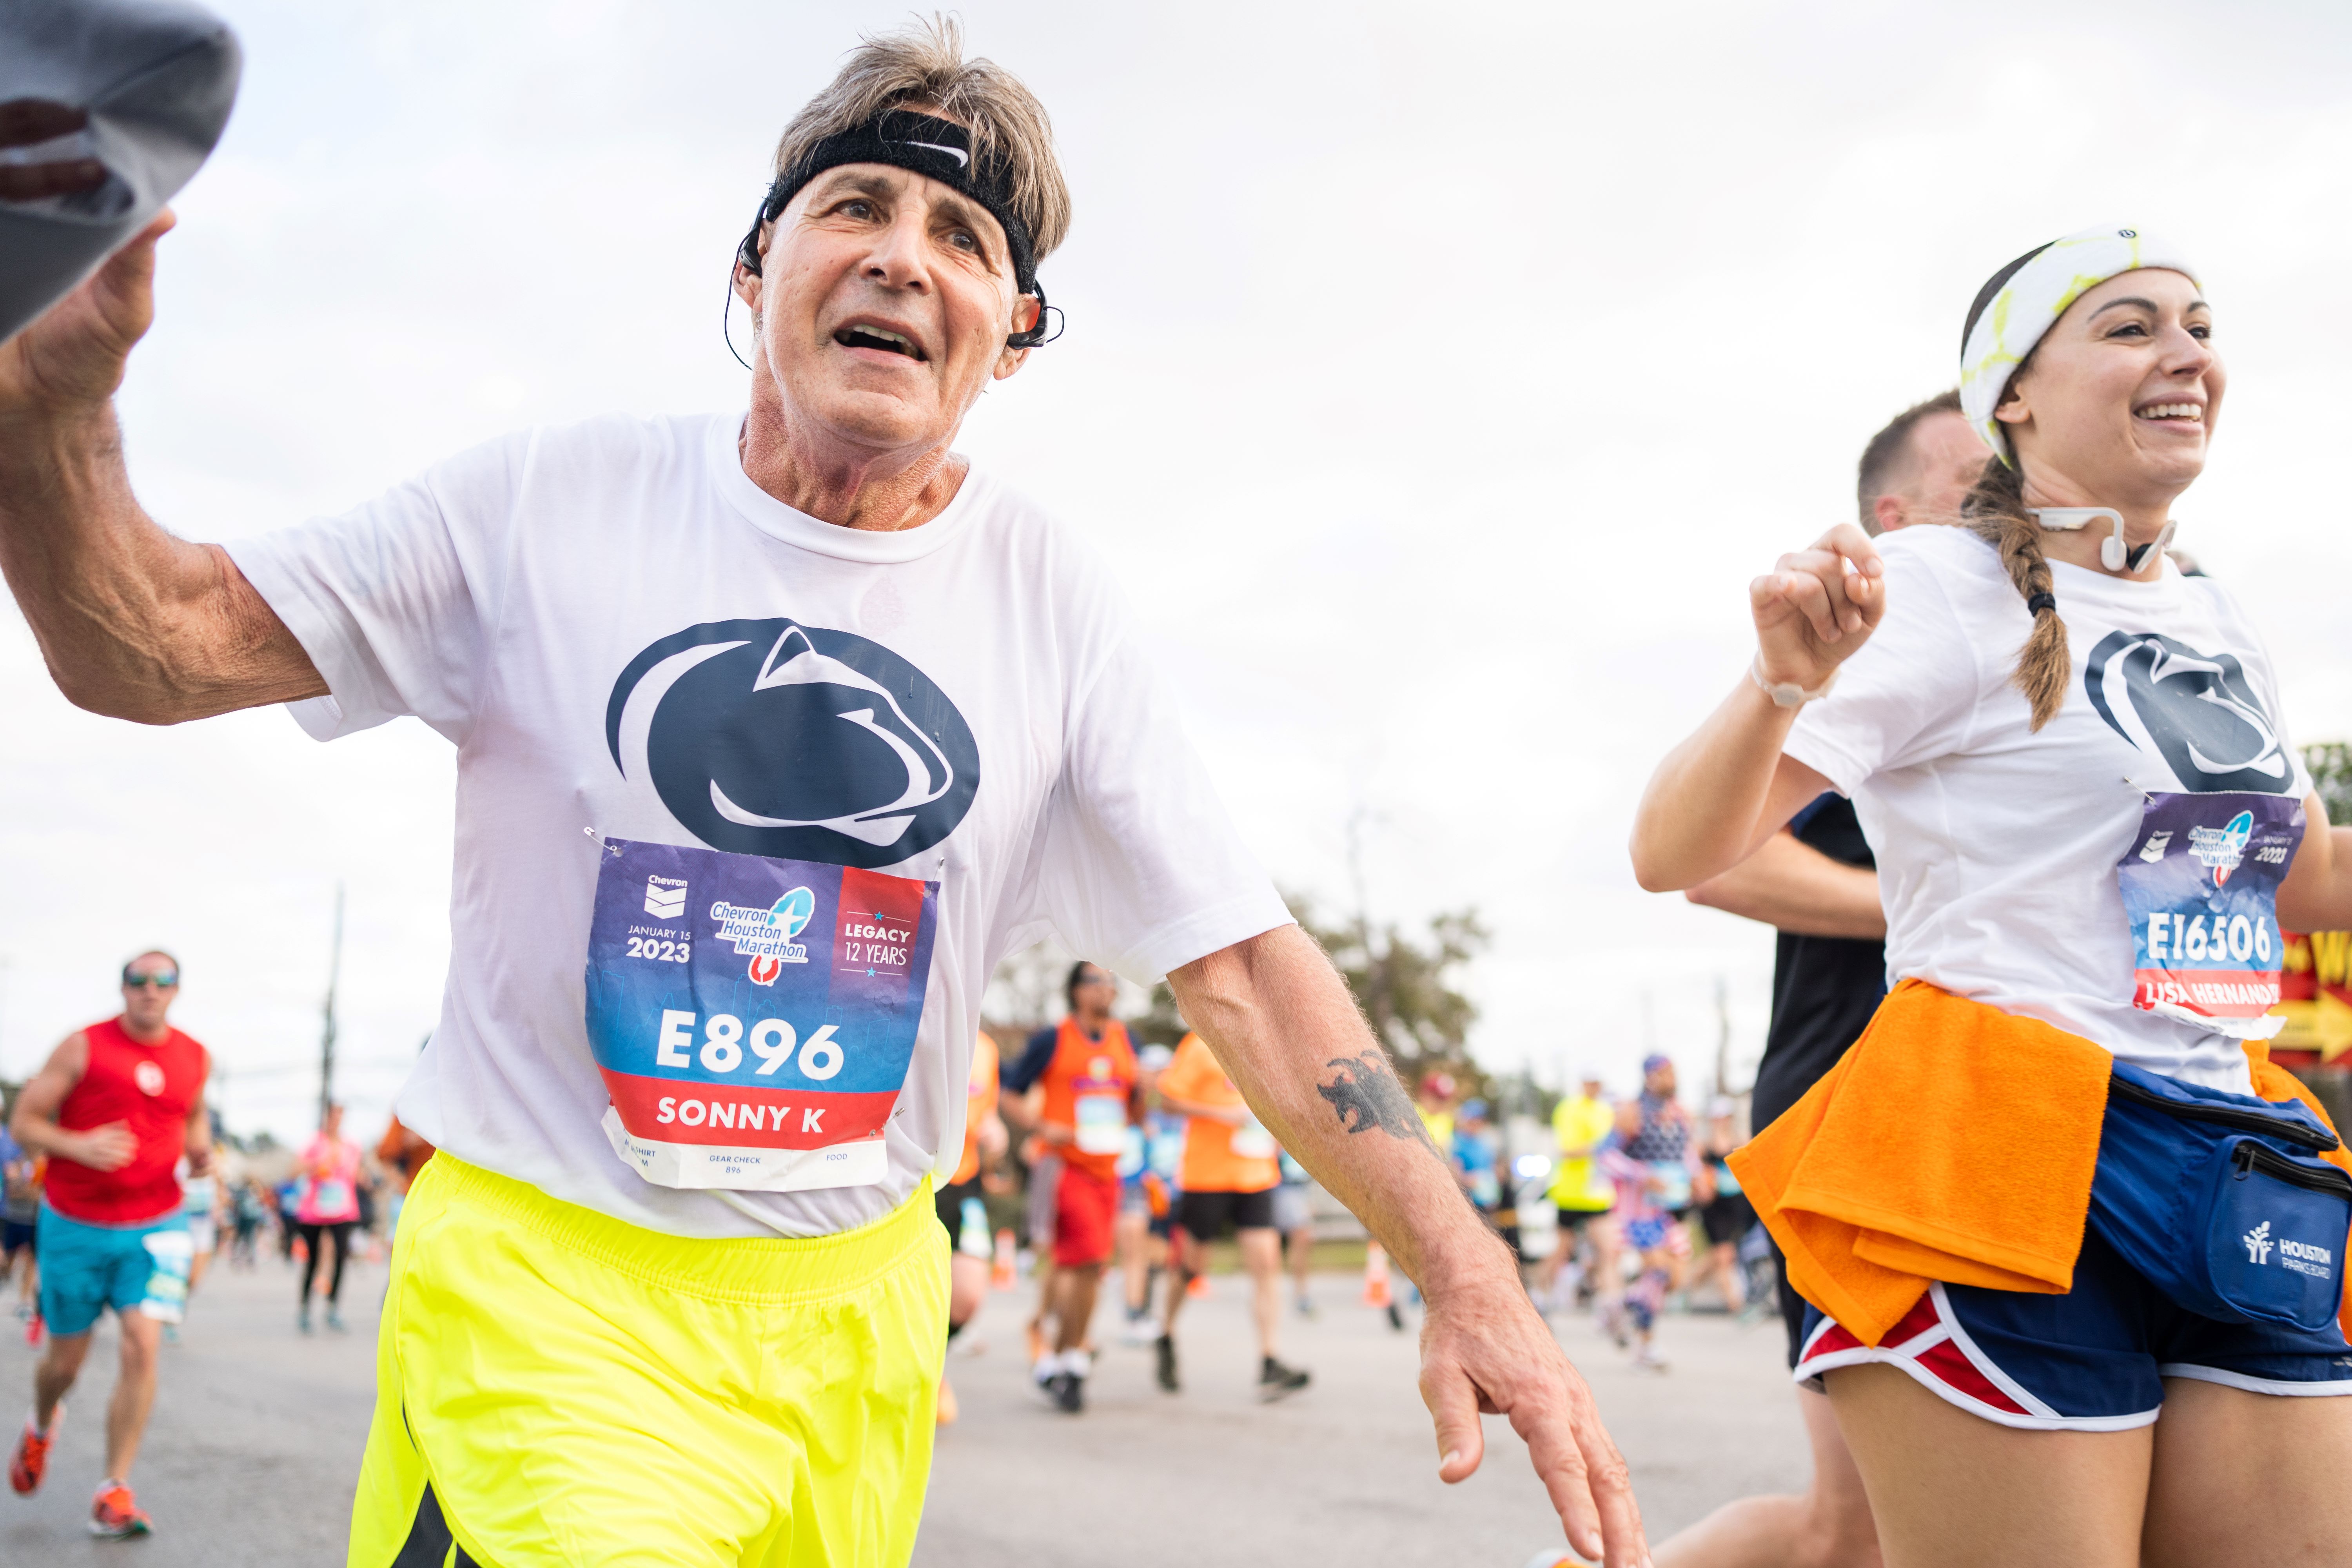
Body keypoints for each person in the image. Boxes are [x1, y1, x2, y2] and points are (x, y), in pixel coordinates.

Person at [0, 21, 1645, 1563]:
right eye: (854, 205)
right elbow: (153, 645)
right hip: (551, 1300)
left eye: (962, 238)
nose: (902, 256)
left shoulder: (1047, 601)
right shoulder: (546, 503)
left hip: (859, 1326)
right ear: (754, 267)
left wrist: (1468, 1268)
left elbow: (1238, 965)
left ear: (1013, 334)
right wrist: (51, 421)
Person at [1633, 227, 2352, 1566]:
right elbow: (1675, 852)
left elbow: (2307, 878)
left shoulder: (2215, 615)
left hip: (2229, 1157)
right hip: (1999, 1156)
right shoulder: (1938, 585)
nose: (2188, 354)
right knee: (1839, 1534)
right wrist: (1778, 680)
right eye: (2132, 327)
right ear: (2011, 395)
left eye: (2200, 327)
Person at [1656, 388, 1984, 1568]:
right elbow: (1709, 863)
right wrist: (1943, 908)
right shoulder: (1870, 662)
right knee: (1849, 1531)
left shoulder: (2038, 658)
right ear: (1892, 520)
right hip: (1845, 1114)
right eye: (1976, 487)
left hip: (2001, 1120)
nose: (2012, 502)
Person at [5, 950, 210, 1539]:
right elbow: (24, 1121)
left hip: (158, 1224)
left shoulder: (195, 1055)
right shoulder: (82, 1047)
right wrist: (78, 1144)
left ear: (176, 990)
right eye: (138, 980)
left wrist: (199, 1150)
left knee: (143, 1345)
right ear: (123, 988)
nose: (150, 989)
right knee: (64, 1365)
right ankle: (43, 1422)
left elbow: (194, 1115)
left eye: (163, 980)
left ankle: (113, 1489)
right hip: (75, 1223)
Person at [1002, 962, 1141, 1412]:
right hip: (1065, 1166)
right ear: (1077, 990)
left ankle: (1062, 1357)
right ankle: (1068, 1357)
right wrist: (1043, 1126)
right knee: (1088, 1259)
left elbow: (1135, 1103)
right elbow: (1010, 1094)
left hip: (1108, 1170)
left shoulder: (1126, 1040)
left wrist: (1142, 1105)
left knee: (1085, 1267)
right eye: (1097, 981)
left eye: (1111, 982)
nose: (1106, 989)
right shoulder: (1053, 1039)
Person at [1153, 1026, 1311, 1400]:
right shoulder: (1199, 1044)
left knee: (1267, 1264)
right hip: (1207, 1176)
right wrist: (1222, 1114)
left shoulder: (1265, 1042)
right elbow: (1168, 1101)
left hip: (1256, 1173)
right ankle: (1166, 1334)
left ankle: (1269, 1361)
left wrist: (1279, 1131)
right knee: (1192, 1266)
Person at [933, 1030, 1005, 1426]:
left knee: (967, 1296)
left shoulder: (987, 1047)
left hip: (964, 1186)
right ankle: (920, 1376)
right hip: (913, 1183)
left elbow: (986, 1108)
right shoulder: (911, 1021)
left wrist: (997, 1130)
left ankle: (933, 1365)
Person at [1541, 1071, 1619, 1317]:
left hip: (1598, 1194)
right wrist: (1598, 1148)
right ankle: (1538, 1294)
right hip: (1572, 1193)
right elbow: (1567, 1150)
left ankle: (1610, 1303)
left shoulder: (1606, 1110)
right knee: (1562, 1250)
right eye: (1591, 1082)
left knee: (1609, 1249)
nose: (1595, 1087)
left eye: (1598, 1082)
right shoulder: (1569, 1108)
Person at [294, 1103, 363, 1334]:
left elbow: (356, 1174)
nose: (335, 1120)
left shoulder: (351, 1145)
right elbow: (294, 1171)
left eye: (339, 1116)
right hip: (315, 1210)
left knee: (341, 1258)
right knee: (313, 1260)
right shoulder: (315, 1143)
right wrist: (317, 1164)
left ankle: (333, 1308)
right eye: (332, 1116)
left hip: (343, 1209)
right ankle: (305, 1309)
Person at [1689, 1099, 1752, 1315]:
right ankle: (1737, 1305)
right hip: (1714, 1207)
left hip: (1737, 1205)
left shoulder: (1741, 1141)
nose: (1722, 1121)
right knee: (1724, 1256)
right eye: (1718, 1118)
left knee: (1719, 1256)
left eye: (1725, 1117)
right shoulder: (1703, 1147)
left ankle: (1687, 1287)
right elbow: (1695, 1174)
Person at [1272, 1146, 1318, 1318]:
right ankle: (1281, 1294)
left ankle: (1301, 1293)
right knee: (1275, 1246)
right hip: (1281, 1187)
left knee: (1301, 1243)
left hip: (1300, 1188)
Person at [1, 1126, 38, 1337]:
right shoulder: (15, 1161)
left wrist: (27, 1188)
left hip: (33, 1220)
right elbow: (13, 1191)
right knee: (7, 1260)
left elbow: (38, 1192)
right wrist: (29, 1188)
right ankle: (5, 1278)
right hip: (13, 1218)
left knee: (31, 1260)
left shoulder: (40, 1164)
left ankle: (25, 1302)